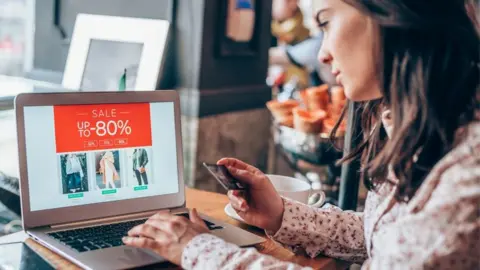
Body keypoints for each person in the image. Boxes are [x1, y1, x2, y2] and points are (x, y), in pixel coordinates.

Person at [122, 0, 480, 269]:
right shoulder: (431, 128)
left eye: (326, 23)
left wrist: (198, 250)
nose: (322, 53)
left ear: (391, 13)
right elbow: (389, 239)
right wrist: (281, 215)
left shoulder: (468, 177)